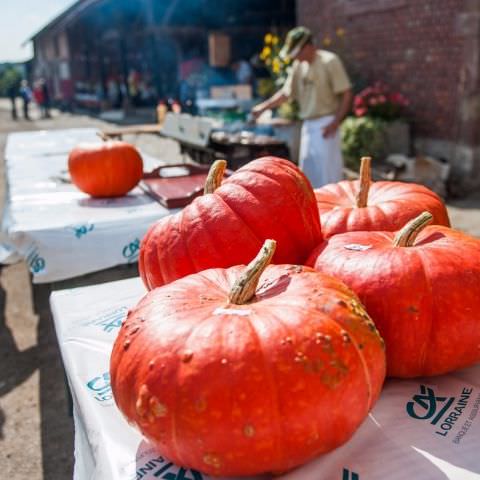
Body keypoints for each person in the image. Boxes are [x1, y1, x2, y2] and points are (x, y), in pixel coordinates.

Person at [251, 26, 352, 188]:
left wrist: (335, 122)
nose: (295, 57)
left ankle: (332, 210)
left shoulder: (329, 61)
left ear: (308, 47)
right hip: (308, 126)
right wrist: (262, 107)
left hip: (327, 123)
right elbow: (286, 93)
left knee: (329, 177)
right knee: (308, 177)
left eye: (297, 52)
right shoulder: (299, 66)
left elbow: (346, 92)